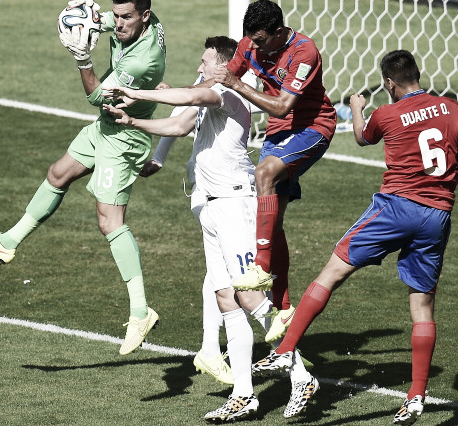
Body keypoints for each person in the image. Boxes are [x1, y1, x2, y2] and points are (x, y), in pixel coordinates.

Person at [102, 36, 318, 421]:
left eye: (205, 62)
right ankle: (243, 394)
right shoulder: (207, 95)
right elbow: (178, 123)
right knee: (225, 299)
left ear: (223, 66)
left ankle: (300, 374)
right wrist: (133, 119)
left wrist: (134, 91)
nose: (199, 68)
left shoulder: (227, 97)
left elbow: (190, 99)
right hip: (212, 210)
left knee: (249, 297)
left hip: (235, 206)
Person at [251, 50, 458, 426]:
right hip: (438, 214)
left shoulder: (386, 113)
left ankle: (285, 350)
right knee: (422, 306)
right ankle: (416, 396)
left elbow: (363, 138)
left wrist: (356, 108)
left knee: (331, 273)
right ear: (419, 74)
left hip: (395, 208)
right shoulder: (454, 110)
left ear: (388, 82)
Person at [0, 0, 166, 356]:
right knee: (58, 173)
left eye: (125, 18)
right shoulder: (137, 21)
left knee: (110, 221)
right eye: (116, 15)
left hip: (122, 136)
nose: (118, 23)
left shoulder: (143, 60)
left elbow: (95, 98)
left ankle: (141, 310)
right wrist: (82, 19)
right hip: (107, 127)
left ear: (145, 16)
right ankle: (7, 243)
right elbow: (99, 20)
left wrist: (82, 59)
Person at [212, 0, 337, 344]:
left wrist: (238, 85)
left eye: (261, 40)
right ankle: (283, 309)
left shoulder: (304, 51)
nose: (253, 46)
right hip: (278, 132)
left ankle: (262, 267)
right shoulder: (250, 41)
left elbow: (282, 104)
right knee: (272, 219)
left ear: (279, 32)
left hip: (313, 127)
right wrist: (177, 95)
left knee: (263, 173)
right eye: (250, 39)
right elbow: (223, 79)